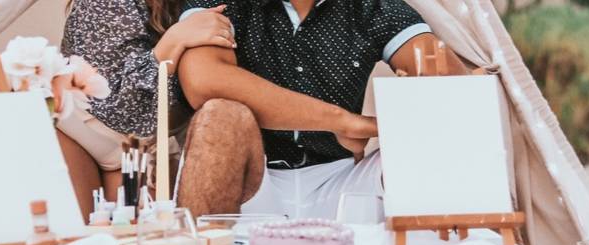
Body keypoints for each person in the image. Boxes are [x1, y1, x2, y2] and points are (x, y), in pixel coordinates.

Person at [174, 0, 470, 219]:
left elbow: (449, 88)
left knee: (427, 143)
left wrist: (420, 87)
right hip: (252, 185)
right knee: (219, 117)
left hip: (344, 183)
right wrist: (342, 122)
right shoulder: (220, 4)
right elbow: (204, 81)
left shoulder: (375, 7)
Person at [58, 0, 237, 219]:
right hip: (83, 130)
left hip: (143, 141)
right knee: (81, 240)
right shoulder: (106, 4)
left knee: (145, 241)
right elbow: (123, 109)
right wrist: (175, 40)